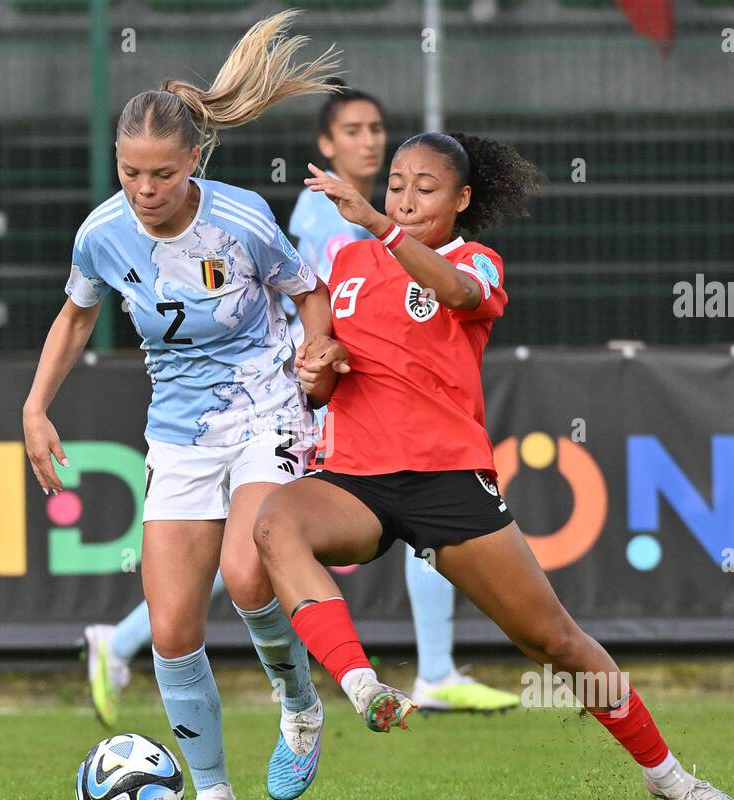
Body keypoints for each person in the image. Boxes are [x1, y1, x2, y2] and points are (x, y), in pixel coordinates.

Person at [251, 132, 734, 800]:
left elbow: (453, 291)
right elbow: (330, 380)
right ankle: (359, 686)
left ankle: (667, 774)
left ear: (461, 200)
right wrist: (320, 365)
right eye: (396, 183)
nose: (405, 197)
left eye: (426, 188)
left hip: (449, 482)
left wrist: (379, 222)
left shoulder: (474, 260)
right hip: (356, 478)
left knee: (555, 641)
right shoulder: (346, 262)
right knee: (275, 522)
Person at [84, 86, 520, 727]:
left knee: (265, 544)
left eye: (375, 127)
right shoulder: (327, 218)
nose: (367, 140)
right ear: (326, 146)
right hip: (308, 384)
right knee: (252, 548)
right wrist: (321, 364)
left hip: (337, 379)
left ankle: (431, 669)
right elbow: (325, 301)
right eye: (351, 130)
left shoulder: (382, 214)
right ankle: (135, 643)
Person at [25, 11, 341, 800]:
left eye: (161, 173)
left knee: (247, 572)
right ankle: (215, 796)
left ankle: (300, 706)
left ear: (194, 160)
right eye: (130, 172)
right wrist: (33, 407)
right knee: (170, 629)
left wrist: (317, 352)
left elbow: (306, 288)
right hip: (178, 432)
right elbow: (75, 319)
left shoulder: (238, 221)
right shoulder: (101, 233)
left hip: (266, 406)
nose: (144, 189)